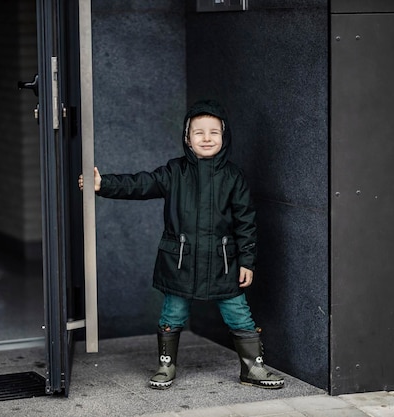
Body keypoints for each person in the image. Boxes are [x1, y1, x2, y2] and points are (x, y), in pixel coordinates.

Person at [78, 99, 284, 390]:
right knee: (172, 313)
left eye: (214, 132)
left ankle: (252, 368)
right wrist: (104, 184)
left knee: (238, 314)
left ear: (224, 137)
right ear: (187, 138)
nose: (207, 138)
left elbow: (246, 223)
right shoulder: (174, 172)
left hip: (223, 262)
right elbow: (142, 183)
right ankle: (166, 364)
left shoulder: (233, 177)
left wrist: (247, 261)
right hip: (181, 262)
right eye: (199, 132)